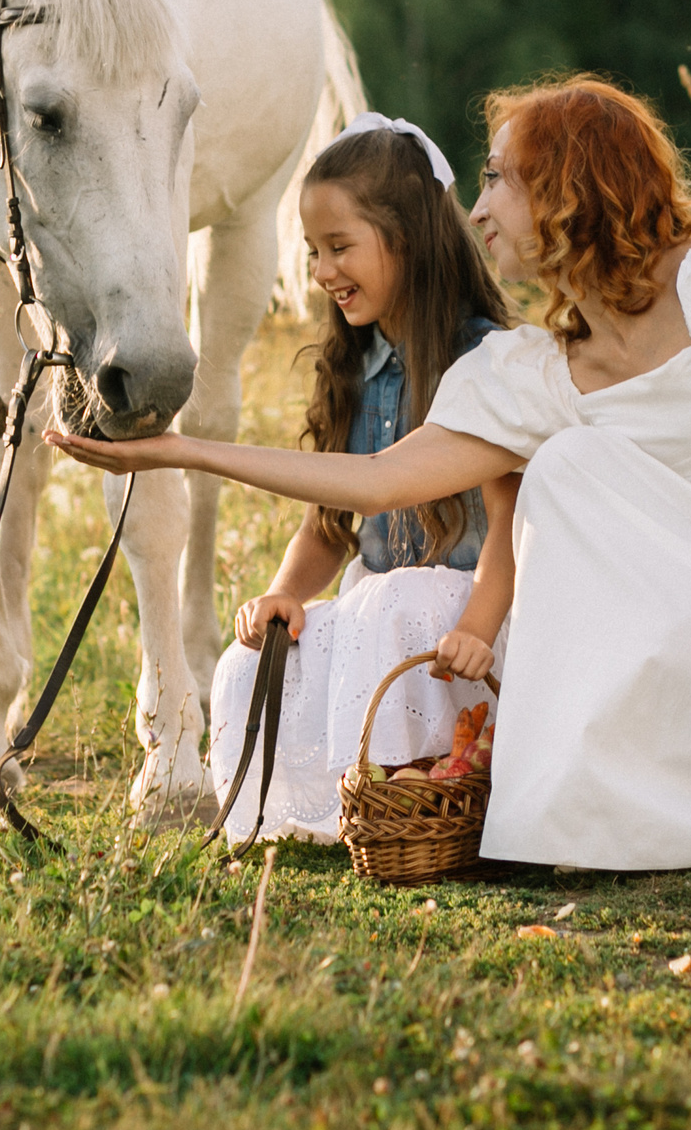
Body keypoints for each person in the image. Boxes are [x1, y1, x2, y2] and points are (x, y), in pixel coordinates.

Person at [56, 77, 691, 869]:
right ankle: (618, 795)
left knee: (567, 472)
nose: (475, 208)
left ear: (569, 187)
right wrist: (177, 449)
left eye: (498, 182)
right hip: (675, 633)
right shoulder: (527, 374)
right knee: (565, 464)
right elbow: (375, 482)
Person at [204, 113, 518, 841]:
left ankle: (415, 796)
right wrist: (284, 593)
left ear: (407, 239)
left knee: (391, 601)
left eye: (340, 247)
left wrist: (478, 624)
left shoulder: (484, 361)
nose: (322, 271)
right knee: (250, 664)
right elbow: (328, 526)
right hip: (385, 611)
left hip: (465, 623)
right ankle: (317, 808)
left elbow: (510, 519)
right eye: (315, 251)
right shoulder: (356, 363)